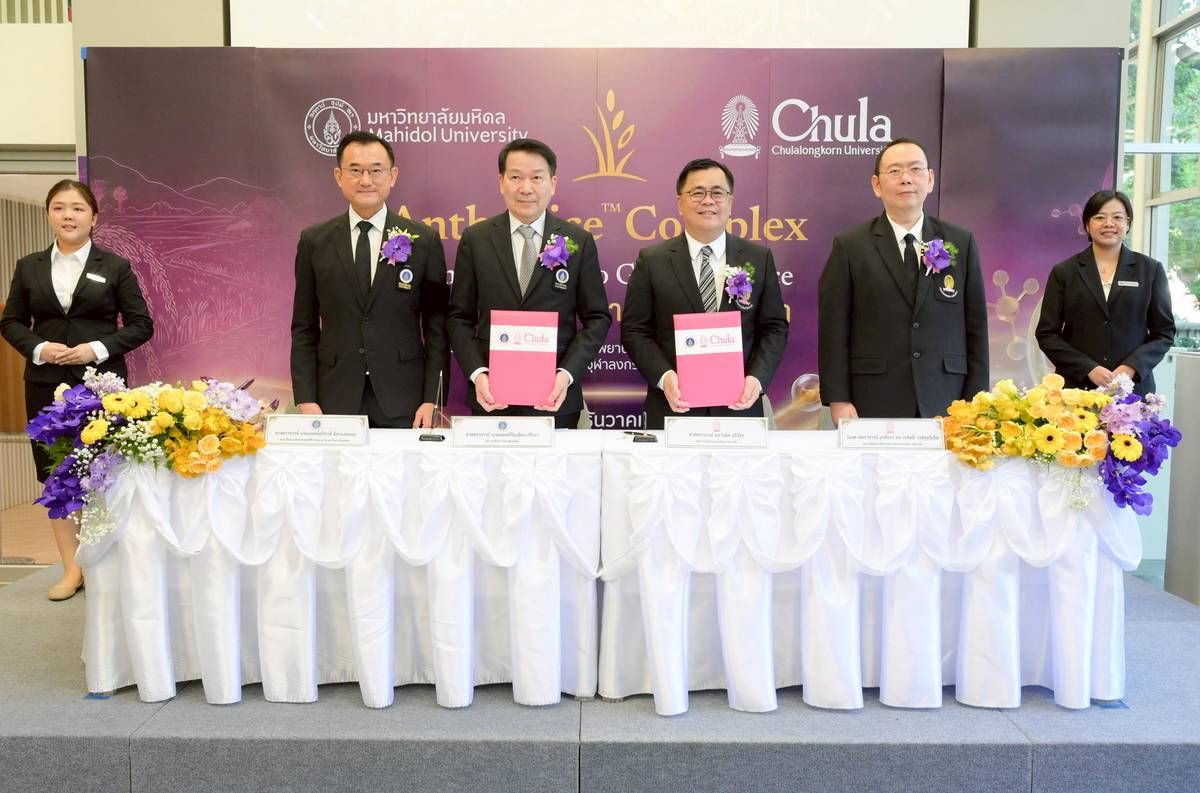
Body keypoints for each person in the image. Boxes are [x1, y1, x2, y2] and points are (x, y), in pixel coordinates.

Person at [1, 179, 153, 601]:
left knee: (103, 472)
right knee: (56, 477)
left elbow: (141, 325)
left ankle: (105, 564)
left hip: (100, 387)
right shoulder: (29, 266)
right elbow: (11, 322)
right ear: (49, 214)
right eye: (59, 207)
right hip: (45, 386)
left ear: (93, 218)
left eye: (77, 208)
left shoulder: (115, 266)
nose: (68, 215)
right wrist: (39, 348)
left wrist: (94, 349)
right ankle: (72, 569)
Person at [818, 137, 989, 420]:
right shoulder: (850, 246)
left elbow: (976, 326)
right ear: (876, 185)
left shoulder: (961, 242)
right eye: (895, 171)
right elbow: (834, 329)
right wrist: (839, 399)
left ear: (930, 180)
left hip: (947, 398)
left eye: (915, 169)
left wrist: (976, 400)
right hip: (873, 398)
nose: (906, 179)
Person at [447, 138, 611, 428]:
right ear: (501, 182)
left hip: (555, 400)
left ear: (553, 183)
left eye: (536, 178)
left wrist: (566, 374)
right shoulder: (476, 239)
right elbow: (459, 317)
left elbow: (597, 319)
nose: (526, 188)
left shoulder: (578, 241)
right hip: (491, 398)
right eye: (515, 177)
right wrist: (478, 373)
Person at [290, 130, 449, 428]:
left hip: (405, 399)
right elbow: (304, 328)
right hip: (332, 398)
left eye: (376, 170)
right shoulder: (314, 241)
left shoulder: (424, 240)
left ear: (392, 176)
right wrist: (306, 398)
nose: (366, 180)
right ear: (339, 177)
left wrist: (432, 398)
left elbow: (436, 327)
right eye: (355, 170)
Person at [621, 158, 789, 429]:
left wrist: (756, 378)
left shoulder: (759, 258)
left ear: (730, 202)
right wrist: (664, 377)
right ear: (679, 203)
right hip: (674, 409)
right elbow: (634, 331)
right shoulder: (652, 261)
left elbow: (774, 328)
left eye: (717, 193)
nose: (708, 200)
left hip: (739, 411)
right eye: (697, 193)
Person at [1036, 190, 1175, 395]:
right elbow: (1047, 334)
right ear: (1087, 225)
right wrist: (1088, 368)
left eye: (1117, 217)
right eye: (1100, 217)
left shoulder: (1150, 270)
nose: (1109, 223)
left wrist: (1131, 367)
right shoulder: (1064, 271)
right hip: (1077, 389)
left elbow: (1164, 333)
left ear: (1128, 224)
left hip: (1132, 389)